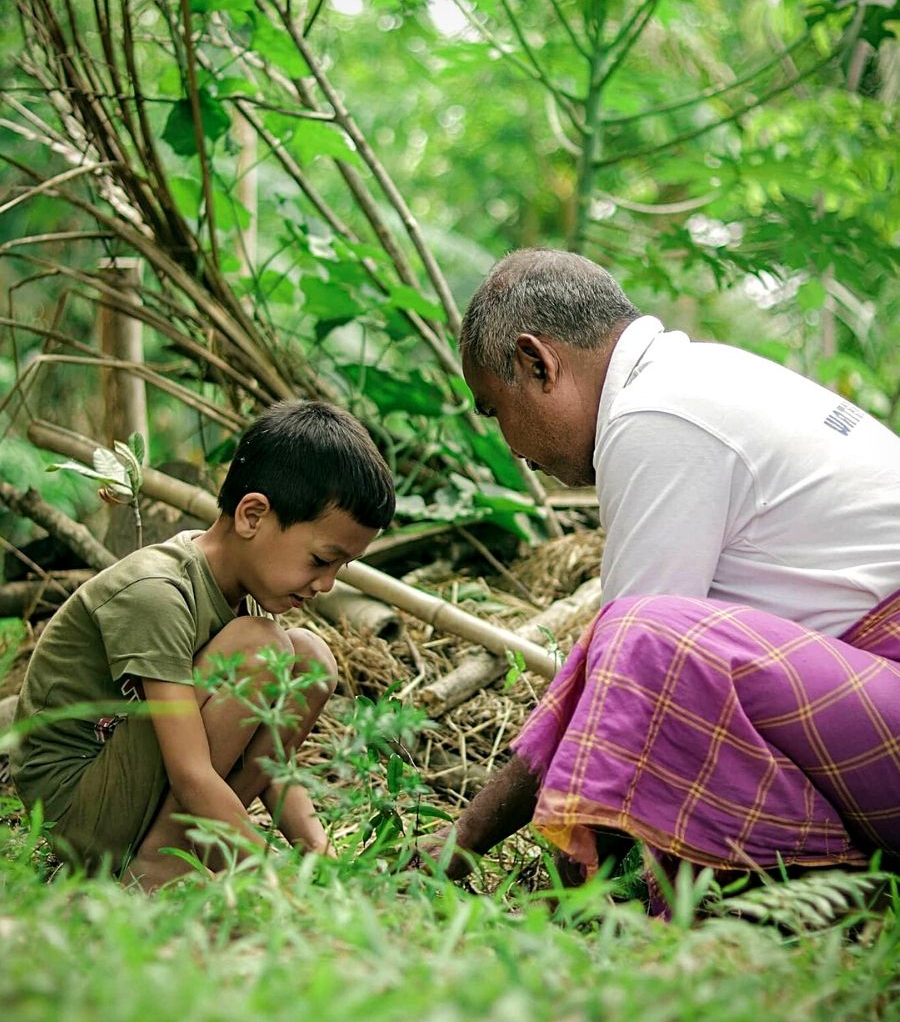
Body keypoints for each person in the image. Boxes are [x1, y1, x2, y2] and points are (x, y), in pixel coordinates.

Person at [432, 247, 900, 909]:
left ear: (538, 364)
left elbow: (625, 683)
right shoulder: (699, 376)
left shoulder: (657, 415)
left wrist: (469, 835)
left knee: (640, 638)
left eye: (493, 408)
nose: (511, 446)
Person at [12, 401, 395, 890]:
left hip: (134, 788)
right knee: (266, 647)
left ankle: (194, 848)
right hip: (79, 811)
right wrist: (273, 874)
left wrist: (320, 854)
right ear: (252, 515)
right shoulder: (157, 590)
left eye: (341, 569)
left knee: (311, 660)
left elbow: (274, 764)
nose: (326, 584)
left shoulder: (245, 598)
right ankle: (158, 864)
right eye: (321, 559)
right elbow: (191, 773)